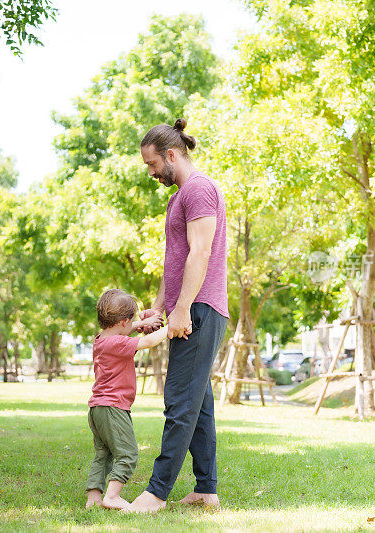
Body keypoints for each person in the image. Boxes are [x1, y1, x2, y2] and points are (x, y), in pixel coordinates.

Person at [125, 118, 229, 514]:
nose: (150, 173)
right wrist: (164, 306)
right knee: (199, 403)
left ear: (171, 155)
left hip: (199, 309)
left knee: (180, 401)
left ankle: (156, 492)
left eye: (152, 165)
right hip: (190, 307)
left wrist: (182, 308)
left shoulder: (199, 189)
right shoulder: (180, 196)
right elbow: (178, 258)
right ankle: (206, 490)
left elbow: (201, 252)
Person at [85, 289, 169, 510]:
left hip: (97, 409)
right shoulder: (119, 344)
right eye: (131, 320)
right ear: (122, 322)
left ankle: (93, 497)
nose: (132, 324)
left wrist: (143, 321)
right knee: (128, 453)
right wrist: (171, 327)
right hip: (113, 408)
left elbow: (126, 329)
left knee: (103, 454)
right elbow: (149, 342)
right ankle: (112, 497)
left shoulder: (102, 339)